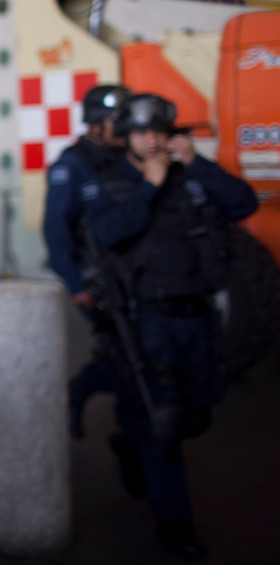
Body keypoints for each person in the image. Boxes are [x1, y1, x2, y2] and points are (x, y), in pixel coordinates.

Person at [82, 93, 257, 560]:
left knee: (197, 415)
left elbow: (243, 204)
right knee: (163, 425)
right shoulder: (112, 182)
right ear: (127, 138)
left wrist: (195, 164)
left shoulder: (191, 176)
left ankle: (129, 444)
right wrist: (149, 187)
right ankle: (176, 528)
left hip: (198, 317)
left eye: (160, 132)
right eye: (143, 133)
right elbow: (107, 233)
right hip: (147, 321)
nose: (153, 141)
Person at [42, 84, 129, 438]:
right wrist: (76, 286)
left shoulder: (126, 160)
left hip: (131, 275)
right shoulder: (72, 165)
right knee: (124, 351)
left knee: (131, 353)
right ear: (96, 124)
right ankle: (80, 393)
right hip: (97, 280)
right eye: (117, 123)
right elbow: (56, 232)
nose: (126, 131)